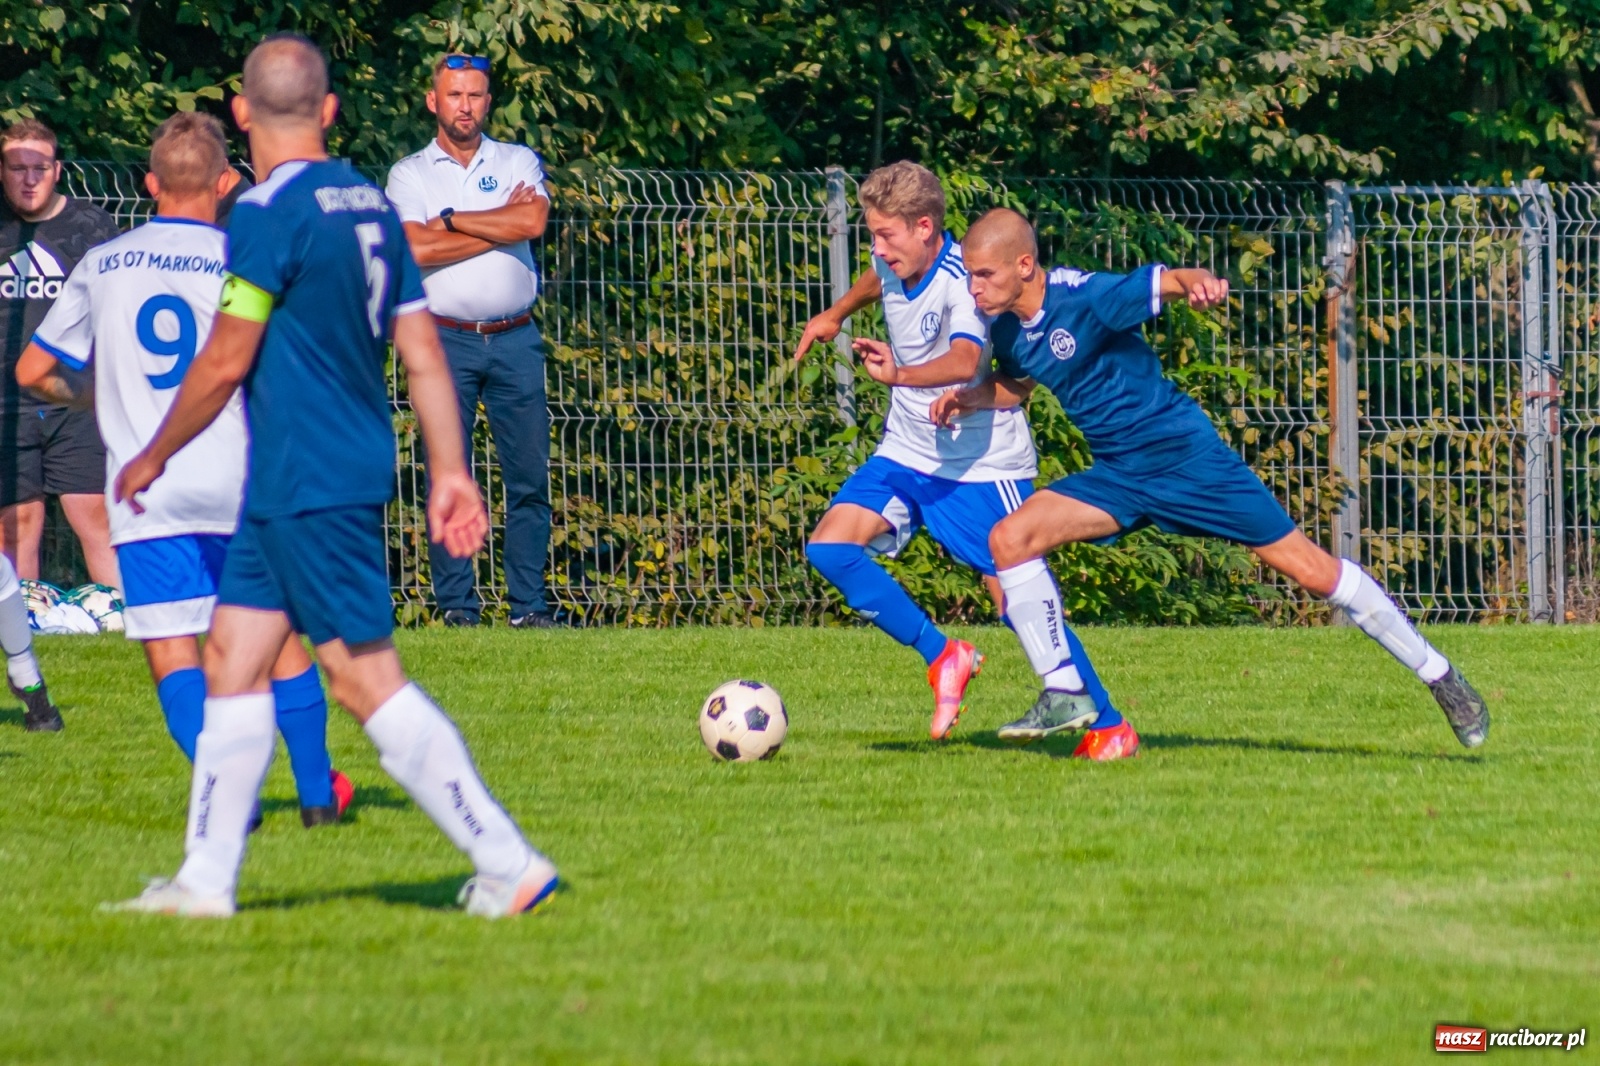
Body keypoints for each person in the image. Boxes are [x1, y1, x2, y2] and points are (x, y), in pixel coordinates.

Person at [107, 34, 557, 918]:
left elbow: (227, 357)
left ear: (240, 114)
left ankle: (507, 860)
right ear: (329, 111)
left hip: (304, 479)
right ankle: (204, 882)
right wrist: (451, 471)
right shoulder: (369, 200)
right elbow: (423, 350)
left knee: (361, 679)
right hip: (306, 477)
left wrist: (154, 452)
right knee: (232, 661)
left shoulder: (267, 213)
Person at [934, 208, 1490, 758]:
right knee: (1008, 540)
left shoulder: (1085, 298)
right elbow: (1020, 386)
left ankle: (1440, 676)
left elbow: (1168, 280)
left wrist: (1199, 284)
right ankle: (1064, 690)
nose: (974, 287)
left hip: (1186, 460)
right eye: (970, 275)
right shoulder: (1006, 330)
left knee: (1311, 570)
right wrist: (971, 397)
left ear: (1025, 265)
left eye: (985, 275)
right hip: (1120, 476)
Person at [16, 112, 352, 824]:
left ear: (148, 183)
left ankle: (230, 798)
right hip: (239, 481)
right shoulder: (243, 258)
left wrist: (92, 393)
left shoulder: (103, 261)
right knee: (283, 641)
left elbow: (33, 370)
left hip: (145, 491)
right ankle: (320, 797)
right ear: (226, 181)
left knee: (175, 654)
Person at [791, 162, 1119, 740]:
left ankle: (1109, 726)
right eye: (872, 234)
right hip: (906, 452)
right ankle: (945, 657)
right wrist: (835, 314)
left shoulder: (959, 281)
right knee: (830, 549)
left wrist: (899, 375)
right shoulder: (892, 260)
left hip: (979, 465)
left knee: (1015, 598)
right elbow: (878, 278)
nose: (877, 248)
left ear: (923, 227)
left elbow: (968, 362)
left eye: (885, 235)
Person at [386, 54, 556, 629]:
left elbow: (532, 225)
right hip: (443, 344)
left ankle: (529, 607)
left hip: (516, 340)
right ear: (434, 101)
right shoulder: (409, 173)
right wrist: (495, 223)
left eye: (476, 95)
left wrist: (451, 220)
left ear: (489, 100)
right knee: (447, 476)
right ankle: (459, 607)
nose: (466, 105)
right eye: (454, 95)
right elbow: (412, 249)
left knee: (529, 480)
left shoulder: (518, 159)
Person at [0, 119, 119, 586]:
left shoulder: (92, 228)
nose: (29, 179)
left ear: (57, 170)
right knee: (15, 527)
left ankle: (124, 631)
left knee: (95, 517)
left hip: (75, 399)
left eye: (40, 168)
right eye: (17, 168)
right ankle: (21, 636)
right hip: (7, 403)